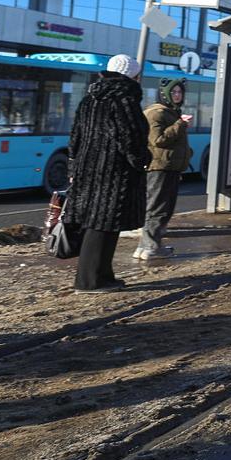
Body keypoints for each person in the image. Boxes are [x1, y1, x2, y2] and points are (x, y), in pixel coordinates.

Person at [66, 54, 150, 293]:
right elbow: (130, 137)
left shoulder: (89, 99)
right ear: (132, 75)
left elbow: (75, 138)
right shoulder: (124, 100)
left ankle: (104, 276)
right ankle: (89, 281)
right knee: (103, 225)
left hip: (87, 170)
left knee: (98, 222)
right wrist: (142, 160)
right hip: (113, 173)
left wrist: (75, 165)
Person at [138, 76, 192, 260]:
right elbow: (158, 140)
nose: (177, 95)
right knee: (158, 208)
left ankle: (145, 246)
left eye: (180, 92)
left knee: (163, 207)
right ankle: (152, 247)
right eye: (174, 92)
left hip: (169, 167)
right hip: (160, 168)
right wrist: (180, 125)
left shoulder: (172, 112)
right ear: (165, 94)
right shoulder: (156, 113)